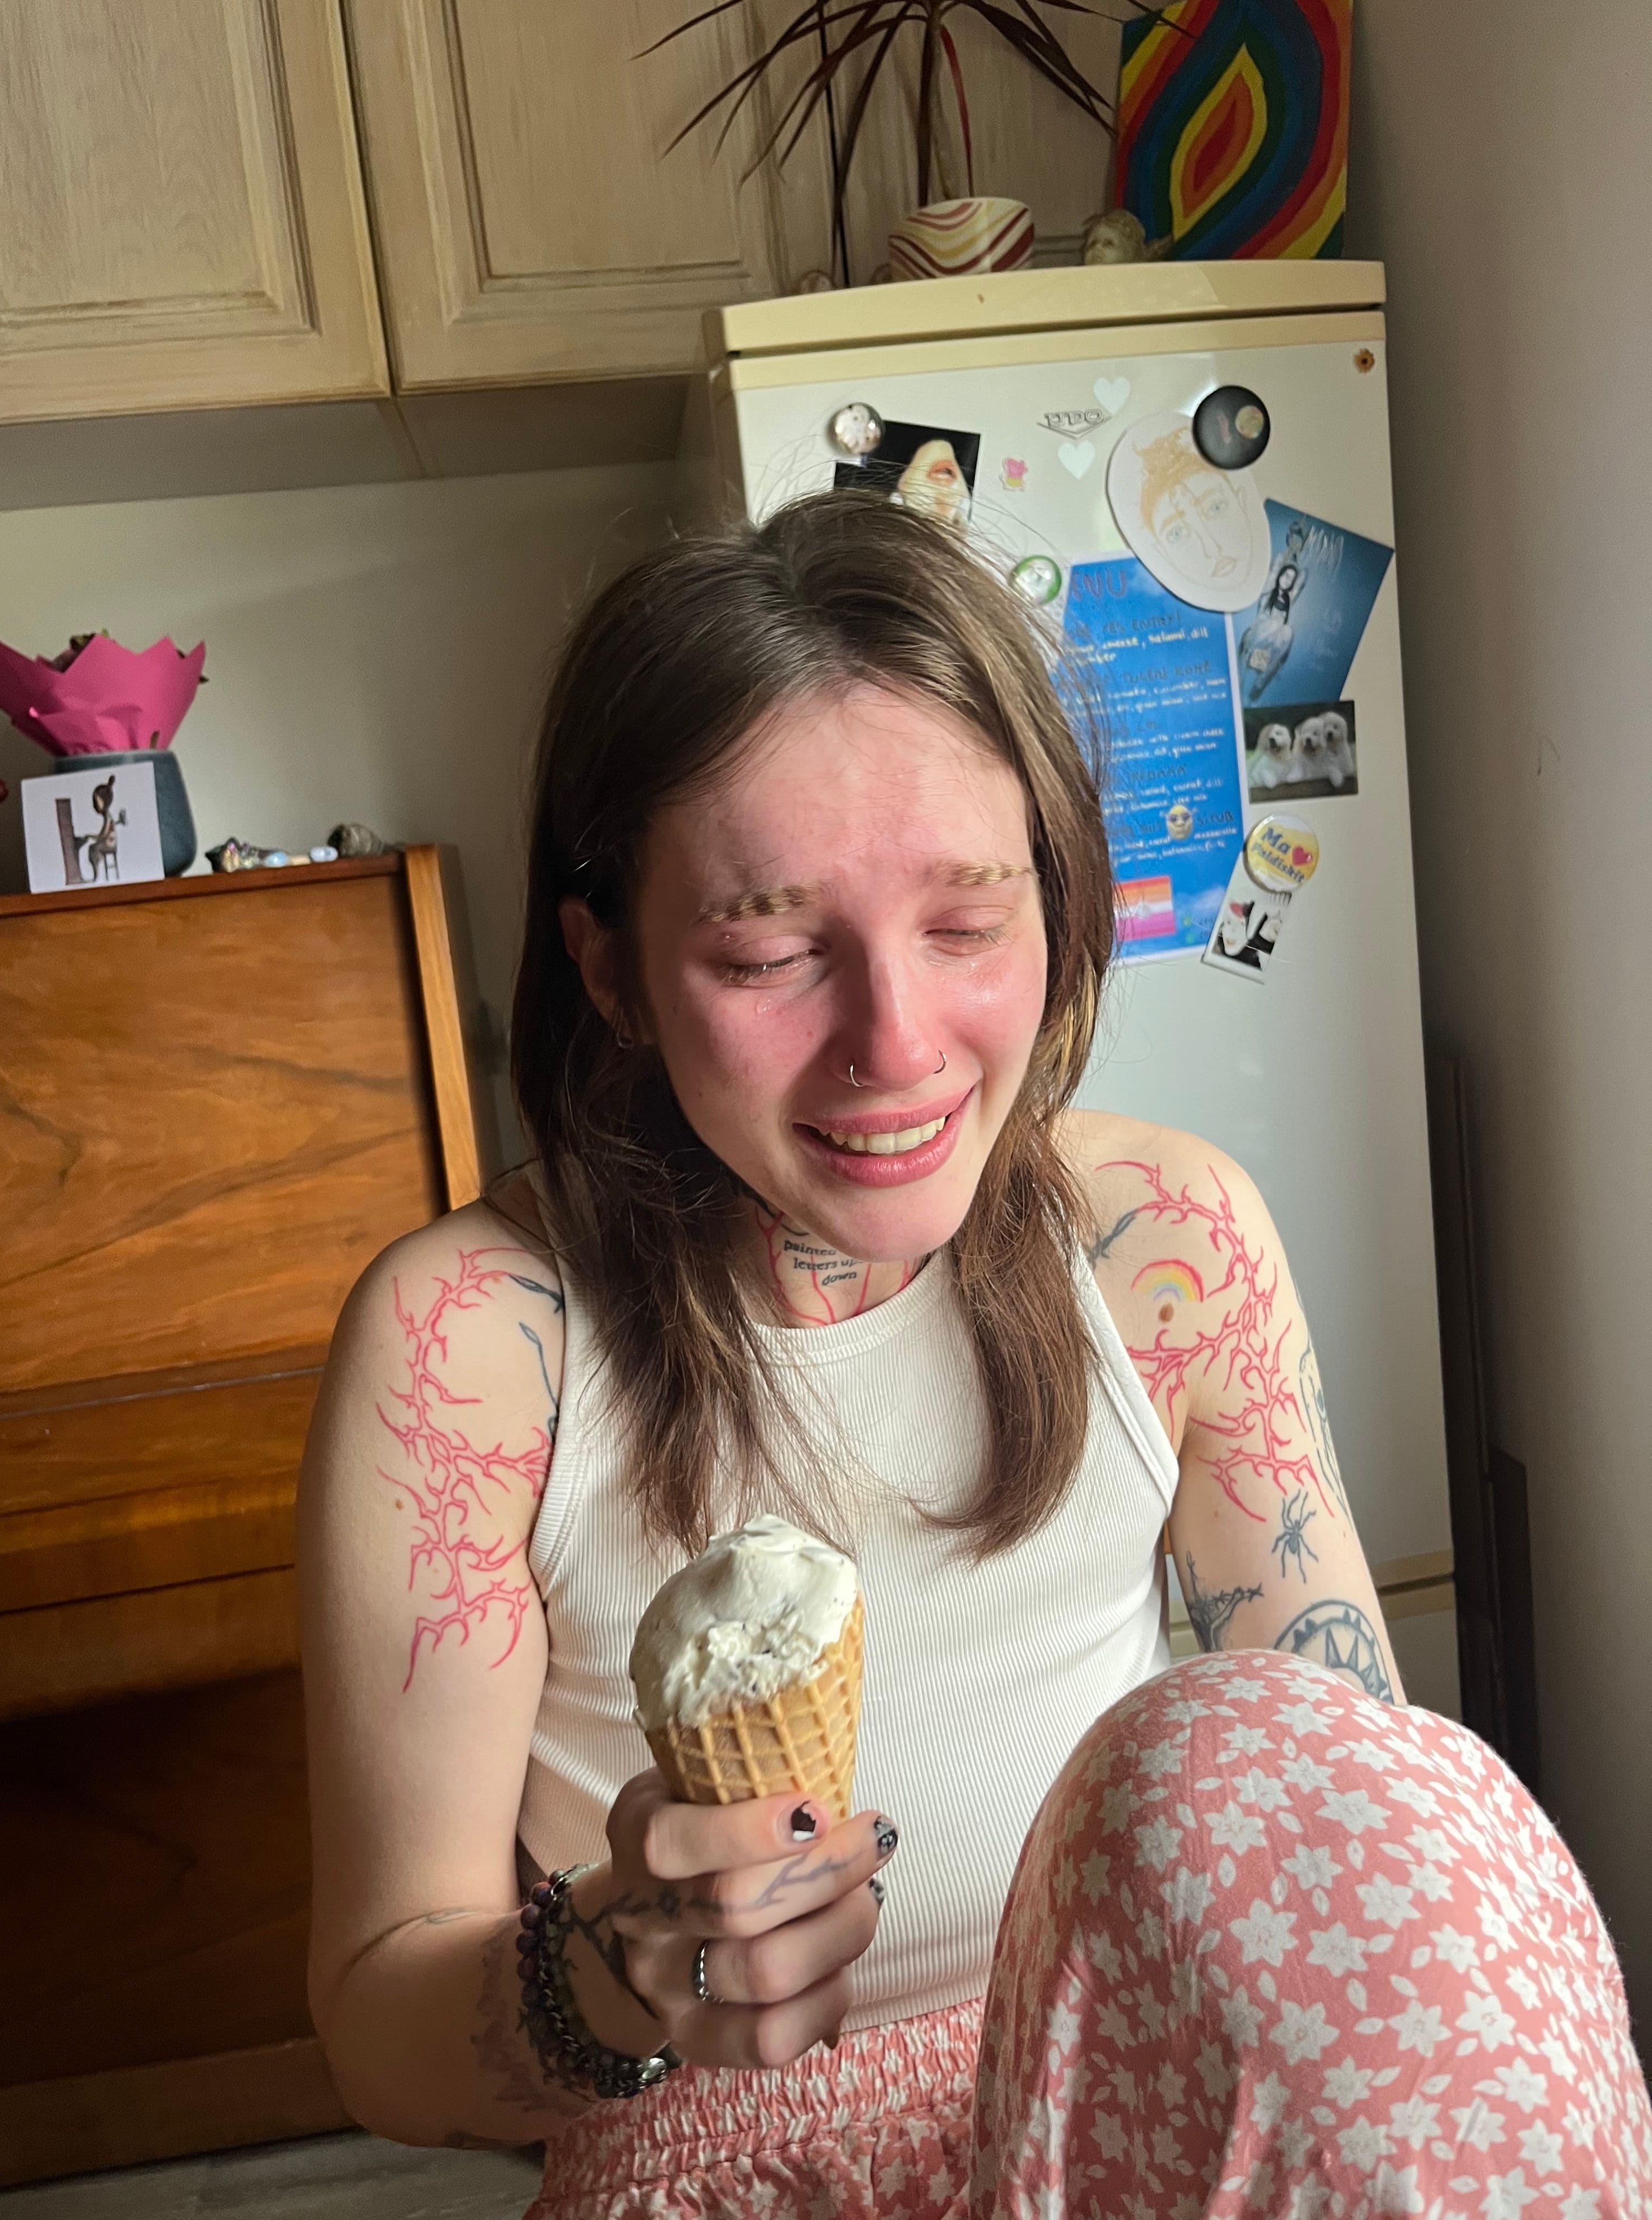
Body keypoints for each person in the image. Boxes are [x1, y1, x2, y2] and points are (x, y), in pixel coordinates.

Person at [298, 494, 1651, 2217]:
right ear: (613, 971)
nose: (899, 1044)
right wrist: (614, 1973)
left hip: (1134, 2116)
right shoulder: (473, 1351)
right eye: (770, 950)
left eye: (967, 923)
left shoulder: (1168, 1245)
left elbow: (1345, 1839)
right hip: (709, 2160)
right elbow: (384, 2024)